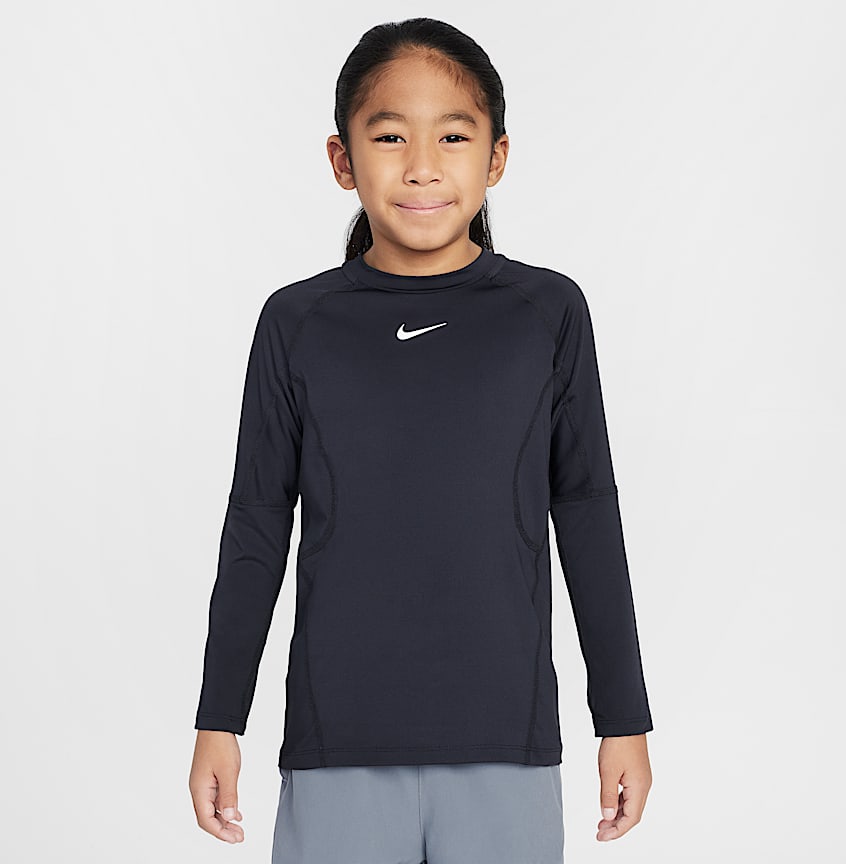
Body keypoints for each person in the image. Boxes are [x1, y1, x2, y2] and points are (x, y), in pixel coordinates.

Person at [189, 16, 653, 863]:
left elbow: (588, 516)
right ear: (343, 159)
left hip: (507, 743)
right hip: (338, 741)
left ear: (496, 157)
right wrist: (220, 717)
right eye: (391, 136)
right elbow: (256, 523)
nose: (423, 166)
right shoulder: (298, 322)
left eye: (453, 136)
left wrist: (622, 719)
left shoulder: (545, 314)